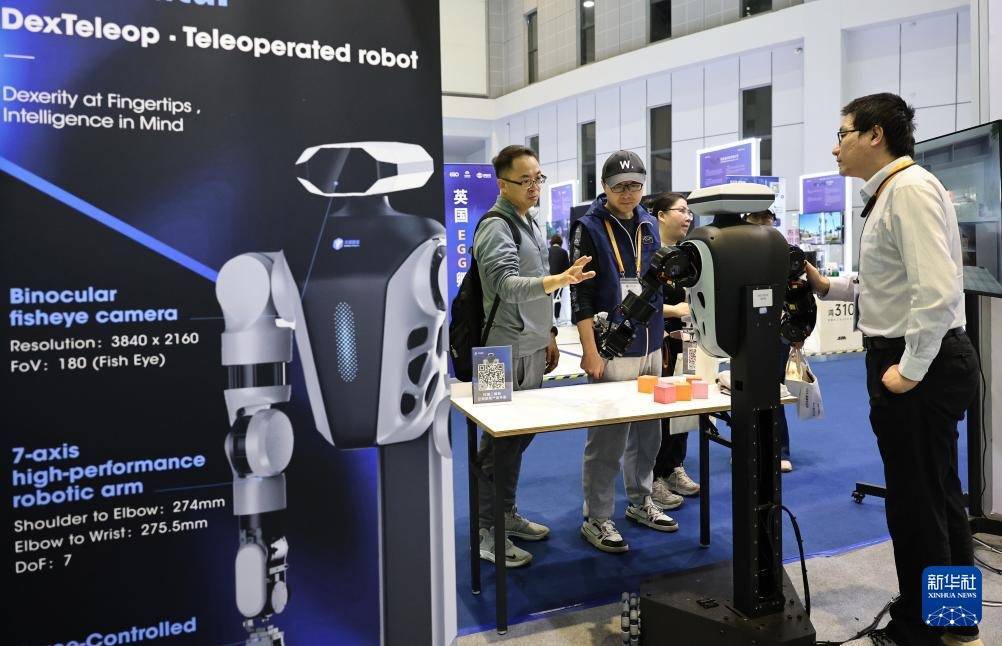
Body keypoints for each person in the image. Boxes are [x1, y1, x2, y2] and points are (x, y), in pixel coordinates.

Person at [804, 93, 982, 646]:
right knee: (938, 496)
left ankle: (921, 631)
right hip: (918, 356)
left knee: (917, 506)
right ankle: (954, 620)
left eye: (843, 134)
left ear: (875, 134)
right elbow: (893, 283)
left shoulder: (907, 191)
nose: (836, 147)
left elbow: (936, 291)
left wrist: (909, 370)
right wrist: (827, 286)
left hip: (919, 362)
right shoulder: (893, 192)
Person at [473, 144, 596, 568]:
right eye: (524, 180)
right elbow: (505, 285)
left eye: (537, 178)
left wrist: (548, 334)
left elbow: (532, 290)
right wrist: (558, 280)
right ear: (502, 184)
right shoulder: (496, 226)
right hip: (497, 354)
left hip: (529, 344)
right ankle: (486, 530)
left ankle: (505, 514)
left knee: (517, 440)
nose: (534, 186)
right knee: (496, 443)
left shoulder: (528, 221)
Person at [571, 150, 678, 554]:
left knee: (649, 432)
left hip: (650, 345)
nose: (628, 193)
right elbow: (580, 295)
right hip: (610, 347)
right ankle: (597, 516)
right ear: (604, 187)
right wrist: (589, 351)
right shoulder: (589, 227)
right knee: (608, 438)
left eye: (635, 185)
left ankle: (640, 499)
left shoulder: (649, 223)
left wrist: (660, 341)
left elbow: (656, 285)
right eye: (619, 186)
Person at [647, 192, 700, 507]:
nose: (688, 217)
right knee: (660, 411)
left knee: (686, 405)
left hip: (689, 341)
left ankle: (674, 466)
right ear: (661, 215)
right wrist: (673, 310)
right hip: (659, 343)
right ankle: (653, 476)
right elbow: (635, 299)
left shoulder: (689, 255)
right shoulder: (648, 254)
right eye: (681, 210)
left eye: (690, 211)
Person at [745, 209, 794, 473]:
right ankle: (747, 448)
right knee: (742, 392)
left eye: (768, 220)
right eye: (758, 219)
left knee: (774, 390)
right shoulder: (738, 253)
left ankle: (780, 449)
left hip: (777, 332)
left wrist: (797, 331)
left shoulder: (783, 252)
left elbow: (797, 292)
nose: (764, 224)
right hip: (744, 331)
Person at [548, 233, 571, 318]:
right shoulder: (564, 252)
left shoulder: (547, 251)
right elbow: (567, 268)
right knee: (558, 297)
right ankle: (556, 317)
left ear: (551, 242)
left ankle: (549, 317)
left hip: (548, 280)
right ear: (561, 242)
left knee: (547, 297)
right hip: (559, 280)